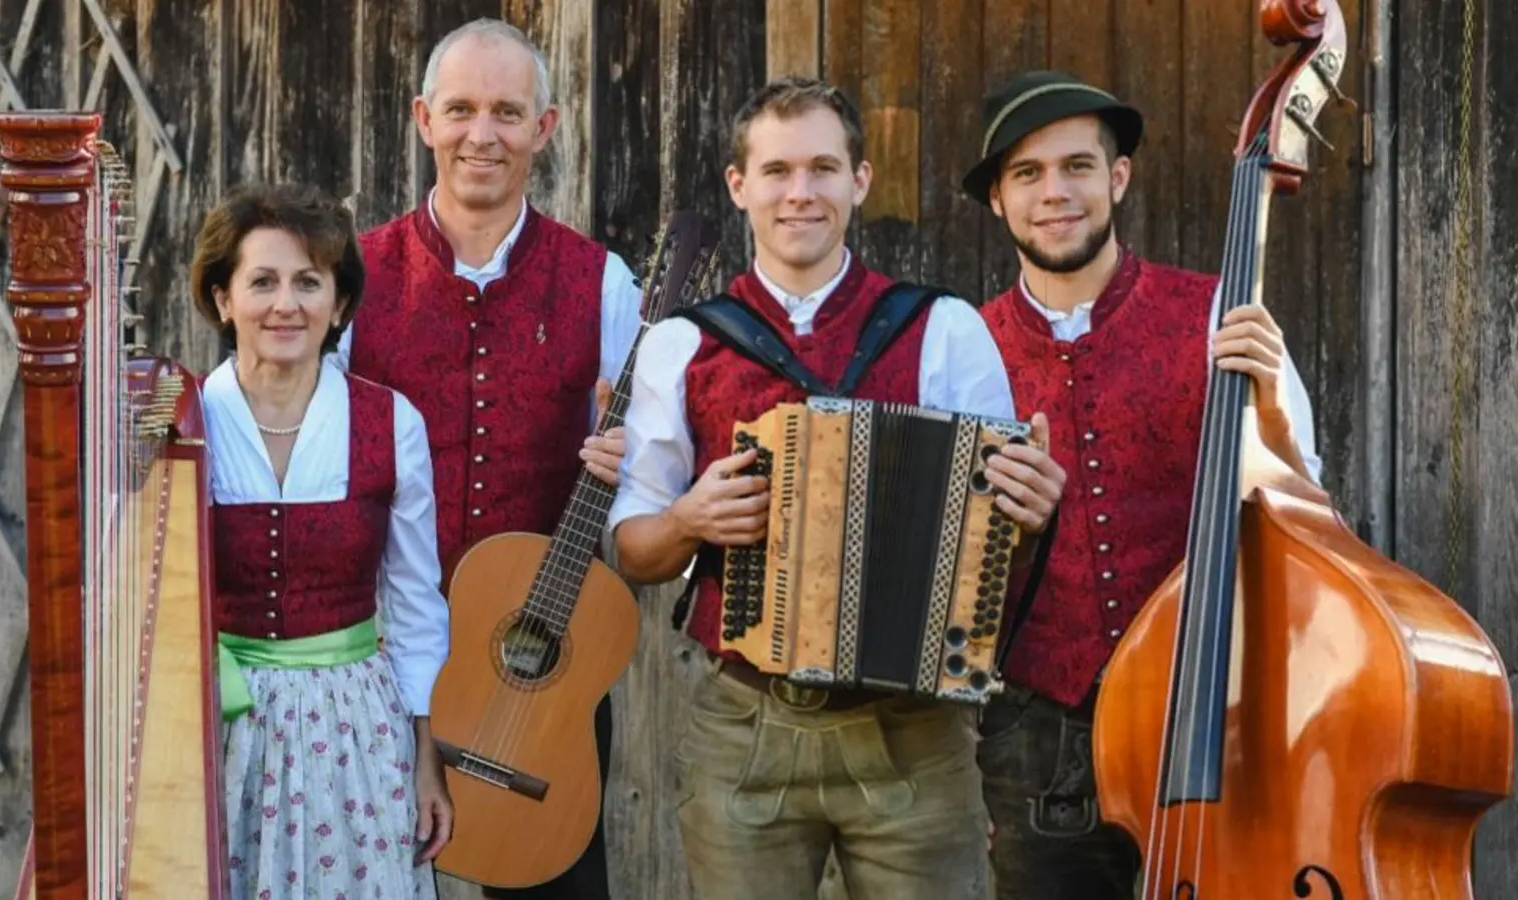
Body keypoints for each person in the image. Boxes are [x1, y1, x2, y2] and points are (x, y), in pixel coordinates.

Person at [608, 76, 1068, 900]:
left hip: (914, 734)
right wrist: (687, 519)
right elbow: (633, 547)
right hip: (743, 727)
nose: (800, 192)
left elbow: (1000, 534)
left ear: (859, 181)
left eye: (823, 168)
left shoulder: (943, 327)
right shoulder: (684, 344)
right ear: (739, 185)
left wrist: (1031, 510)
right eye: (778, 171)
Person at [959, 70, 1325, 898]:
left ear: (1117, 177)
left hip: (1216, 720)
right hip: (1035, 743)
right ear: (998, 202)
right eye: (1028, 174)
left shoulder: (1220, 316)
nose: (1056, 192)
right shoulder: (961, 349)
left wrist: (1268, 414)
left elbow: (1311, 523)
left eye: (1079, 166)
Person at [330, 18, 643, 900]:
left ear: (543, 130)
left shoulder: (603, 283)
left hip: (541, 664)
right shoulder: (353, 279)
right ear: (425, 119)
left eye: (508, 112)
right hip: (380, 662)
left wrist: (633, 465)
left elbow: (649, 467)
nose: (483, 134)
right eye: (462, 110)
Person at [190, 182, 453, 898]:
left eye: (309, 282)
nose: (286, 304)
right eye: (263, 281)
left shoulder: (390, 423)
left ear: (338, 304)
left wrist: (425, 753)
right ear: (222, 299)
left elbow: (413, 602)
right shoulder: (182, 426)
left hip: (354, 730)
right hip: (217, 727)